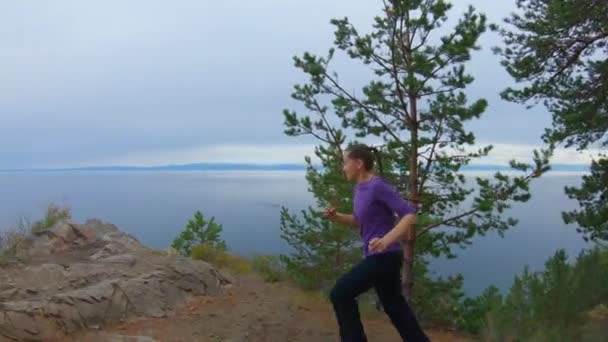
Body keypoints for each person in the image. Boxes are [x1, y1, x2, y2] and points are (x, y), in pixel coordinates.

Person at [324, 144, 429, 342]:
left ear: (358, 164)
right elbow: (358, 220)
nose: (343, 167)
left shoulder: (377, 186)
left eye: (345, 162)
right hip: (383, 257)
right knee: (396, 308)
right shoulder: (360, 188)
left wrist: (386, 240)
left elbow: (409, 215)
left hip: (384, 256)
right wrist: (336, 217)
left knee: (341, 293)